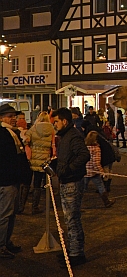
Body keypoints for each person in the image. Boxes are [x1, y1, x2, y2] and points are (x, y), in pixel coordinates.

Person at [51, 107, 90, 267]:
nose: (54, 124)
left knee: (72, 219)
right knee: (69, 219)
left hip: (72, 181)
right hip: (67, 180)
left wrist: (69, 169)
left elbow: (84, 154)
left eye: (56, 121)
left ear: (64, 121)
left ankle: (76, 254)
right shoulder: (66, 136)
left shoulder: (73, 136)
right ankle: (72, 250)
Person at [0, 103, 30, 258]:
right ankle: (1, 245)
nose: (13, 119)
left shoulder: (13, 133)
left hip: (13, 179)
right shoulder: (4, 134)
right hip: (7, 180)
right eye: (10, 116)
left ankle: (6, 241)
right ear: (1, 118)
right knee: (5, 214)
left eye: (14, 116)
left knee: (11, 213)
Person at [24, 111, 54, 214]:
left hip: (33, 158)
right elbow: (53, 144)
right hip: (44, 159)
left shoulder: (34, 128)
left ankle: (21, 206)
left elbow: (26, 140)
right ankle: (35, 207)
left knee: (27, 182)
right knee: (38, 183)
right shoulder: (51, 129)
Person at [83, 131, 115, 207]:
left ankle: (77, 203)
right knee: (101, 186)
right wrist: (101, 172)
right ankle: (106, 202)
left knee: (82, 188)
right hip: (94, 172)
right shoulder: (96, 149)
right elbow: (96, 162)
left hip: (85, 171)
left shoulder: (85, 148)